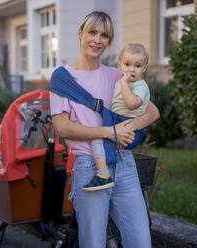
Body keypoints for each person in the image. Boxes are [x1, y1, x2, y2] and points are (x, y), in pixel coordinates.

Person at [50, 11, 159, 248]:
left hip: (125, 165)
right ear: (80, 34)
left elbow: (151, 113)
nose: (97, 40)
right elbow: (63, 127)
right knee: (93, 244)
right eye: (92, 32)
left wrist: (126, 130)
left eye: (104, 35)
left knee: (141, 242)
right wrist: (110, 133)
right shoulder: (63, 78)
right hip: (90, 167)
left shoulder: (119, 75)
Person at [83, 43, 151, 191]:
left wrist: (125, 83)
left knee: (98, 138)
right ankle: (105, 172)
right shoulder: (120, 81)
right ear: (120, 65)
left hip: (129, 126)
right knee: (98, 135)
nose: (131, 69)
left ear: (144, 68)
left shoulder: (140, 86)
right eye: (127, 64)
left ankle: (103, 174)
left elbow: (131, 104)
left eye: (137, 66)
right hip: (117, 119)